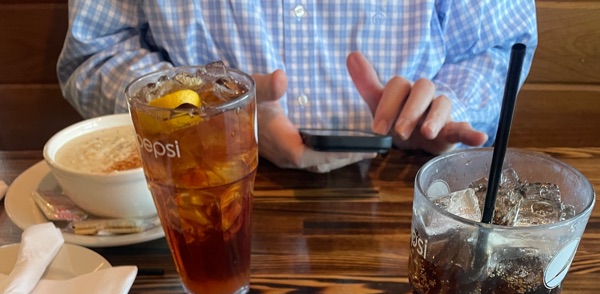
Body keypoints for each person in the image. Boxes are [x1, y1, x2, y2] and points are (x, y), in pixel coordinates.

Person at [57, 0, 537, 173]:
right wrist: (216, 116)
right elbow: (93, 55)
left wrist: (443, 110)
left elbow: (500, 45)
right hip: (205, 180)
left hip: (408, 184)